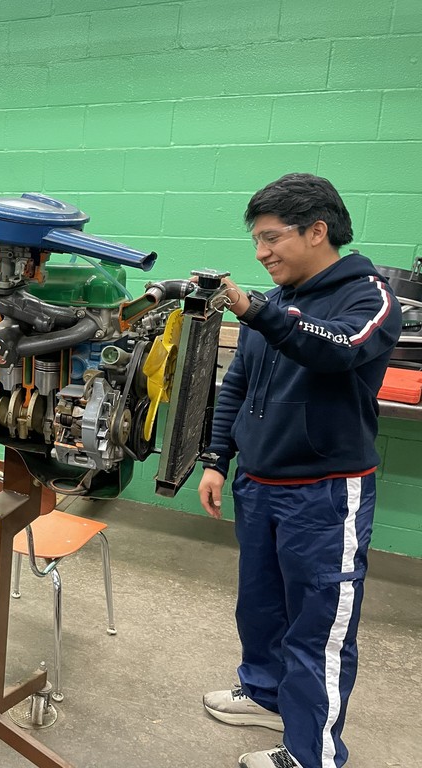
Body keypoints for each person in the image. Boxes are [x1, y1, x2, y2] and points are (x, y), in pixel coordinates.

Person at [197, 173, 401, 768]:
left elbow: (336, 348)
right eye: (256, 241)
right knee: (259, 607)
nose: (260, 253)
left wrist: (256, 310)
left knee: (318, 628)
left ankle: (314, 754)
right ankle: (264, 694)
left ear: (317, 231)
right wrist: (216, 458)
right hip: (257, 485)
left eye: (270, 238)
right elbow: (237, 383)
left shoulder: (367, 296)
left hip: (324, 494)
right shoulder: (278, 300)